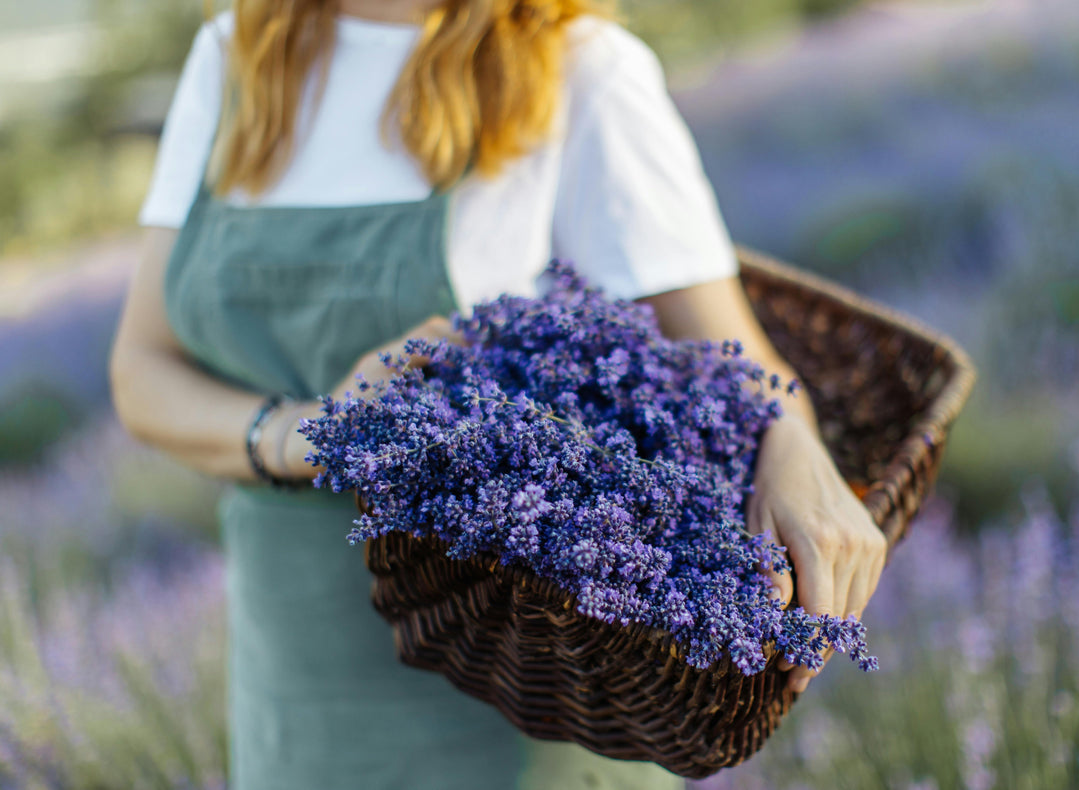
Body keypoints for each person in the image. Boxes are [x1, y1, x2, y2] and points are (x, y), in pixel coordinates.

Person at [109, 0, 887, 787]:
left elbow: (738, 370)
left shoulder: (579, 66)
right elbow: (141, 369)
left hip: (519, 704)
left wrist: (796, 447)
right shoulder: (237, 53)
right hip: (294, 688)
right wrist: (309, 435)